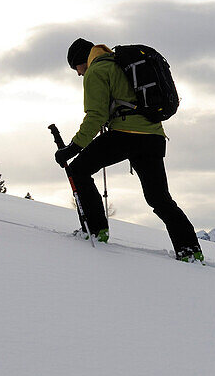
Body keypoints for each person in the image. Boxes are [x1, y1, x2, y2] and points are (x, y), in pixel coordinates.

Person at [54, 38, 204, 263]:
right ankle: (190, 249)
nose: (78, 74)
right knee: (159, 198)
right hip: (154, 137)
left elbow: (96, 116)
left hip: (125, 135)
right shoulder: (118, 64)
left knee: (78, 170)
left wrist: (72, 148)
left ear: (81, 60)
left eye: (75, 67)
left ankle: (95, 230)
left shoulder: (97, 71)